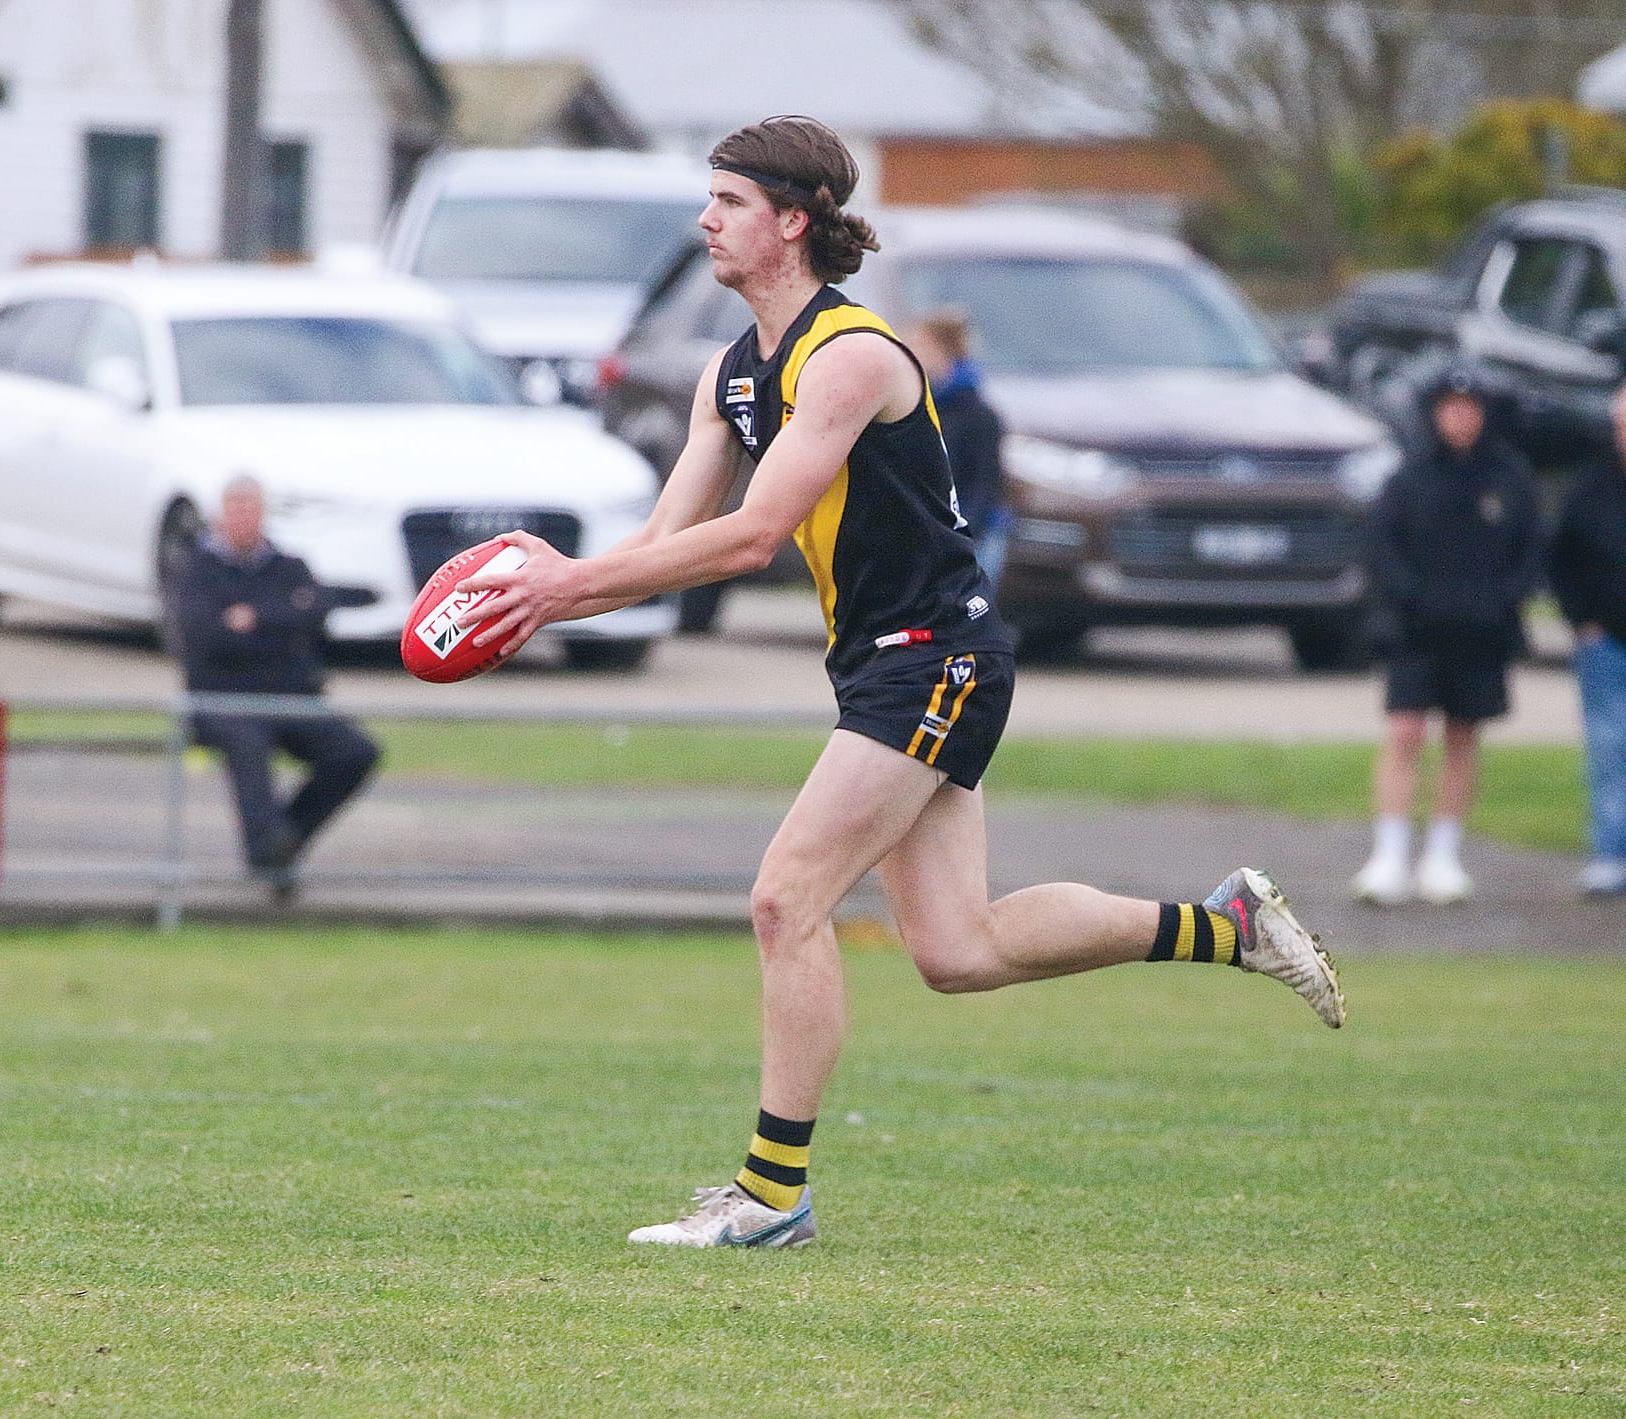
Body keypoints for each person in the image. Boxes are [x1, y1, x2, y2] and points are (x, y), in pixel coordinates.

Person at [459, 116, 1342, 1250]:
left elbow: (748, 538)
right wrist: (552, 591)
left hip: (934, 657)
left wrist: (565, 583)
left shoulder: (853, 358)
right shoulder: (730, 378)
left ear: (790, 221)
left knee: (785, 899)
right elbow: (663, 542)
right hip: (891, 666)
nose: (704, 221)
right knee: (956, 950)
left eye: (726, 203)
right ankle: (1224, 926)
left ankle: (772, 1195)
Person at [1352, 365, 1544, 906]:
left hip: (1480, 632)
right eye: (1450, 408)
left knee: (1462, 738)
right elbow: (1381, 545)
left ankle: (1442, 853)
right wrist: (1409, 598)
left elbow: (1529, 551)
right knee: (1405, 733)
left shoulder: (1508, 478)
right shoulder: (1409, 476)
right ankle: (1389, 853)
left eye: (1470, 408)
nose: (1460, 418)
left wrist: (1502, 601)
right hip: (1416, 631)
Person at [175, 476, 380, 894]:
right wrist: (279, 621)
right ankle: (269, 851)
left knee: (355, 753)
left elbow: (317, 613)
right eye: (236, 510)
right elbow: (205, 636)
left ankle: (283, 841)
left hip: (292, 695)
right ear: (219, 517)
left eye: (253, 510)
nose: (245, 520)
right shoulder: (196, 570)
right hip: (223, 698)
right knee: (248, 745)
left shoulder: (288, 566)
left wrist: (254, 619)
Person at [1547, 379, 1626, 899]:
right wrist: (1582, 621)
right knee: (1610, 748)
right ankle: (1610, 853)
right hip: (1606, 645)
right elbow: (1560, 559)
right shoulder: (1590, 488)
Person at [906, 309, 1008, 590]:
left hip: (970, 534)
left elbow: (985, 482)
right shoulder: (918, 405)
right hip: (932, 533)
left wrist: (965, 535)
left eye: (919, 344)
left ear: (941, 350)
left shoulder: (977, 414)